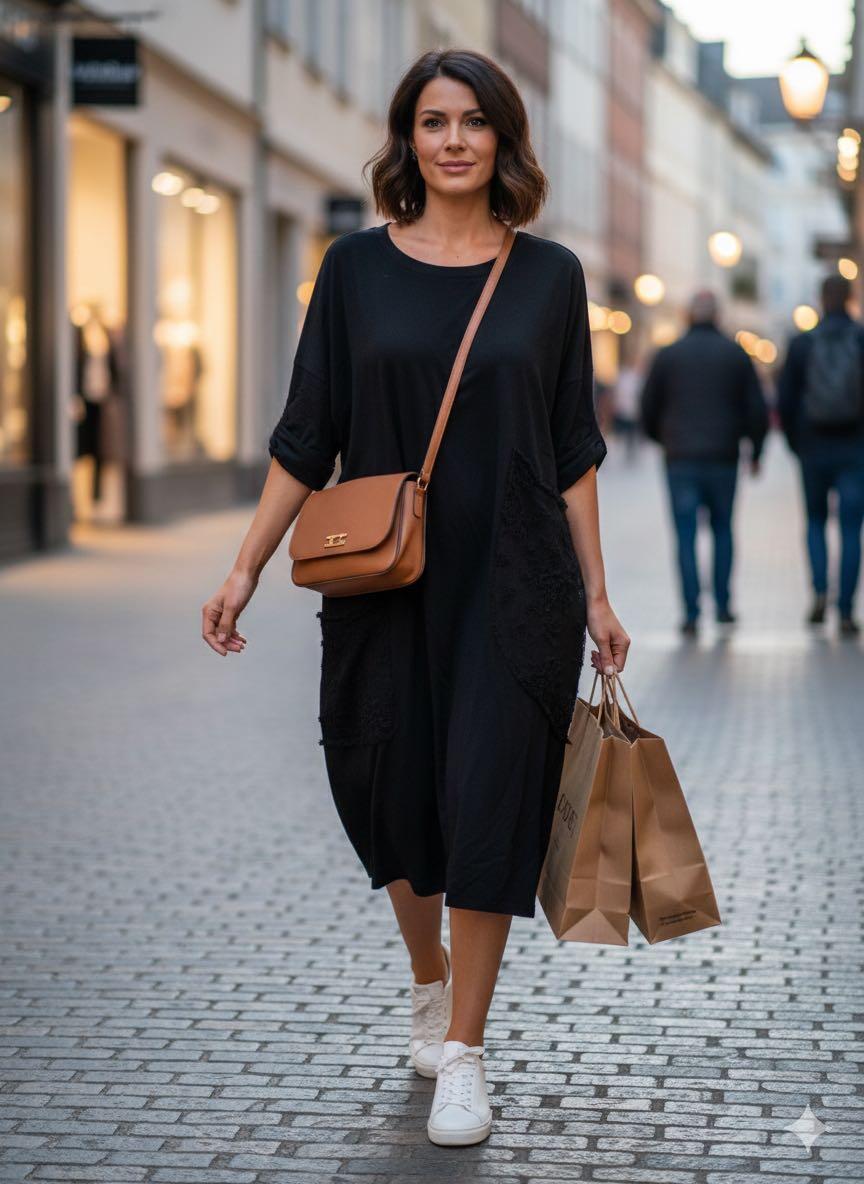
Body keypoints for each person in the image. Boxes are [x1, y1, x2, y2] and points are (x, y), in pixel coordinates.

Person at [201, 49, 629, 1147]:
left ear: (503, 140)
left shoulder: (549, 278)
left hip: (514, 582)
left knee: (491, 796)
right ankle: (427, 964)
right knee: (384, 790)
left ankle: (467, 1052)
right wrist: (245, 564)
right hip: (382, 583)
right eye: (432, 121)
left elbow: (573, 449)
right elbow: (307, 435)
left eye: (473, 122)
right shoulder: (352, 269)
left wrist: (598, 593)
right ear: (407, 139)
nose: (452, 140)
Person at [640, 290, 769, 635]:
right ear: (718, 316)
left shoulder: (668, 355)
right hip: (723, 457)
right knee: (723, 530)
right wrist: (755, 451)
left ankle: (691, 611)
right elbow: (756, 409)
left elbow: (647, 407)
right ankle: (724, 606)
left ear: (687, 315)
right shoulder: (735, 354)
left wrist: (663, 439)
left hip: (680, 458)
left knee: (684, 535)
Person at [777, 274, 864, 636]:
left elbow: (785, 400)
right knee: (850, 529)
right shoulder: (860, 338)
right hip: (855, 449)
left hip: (813, 448)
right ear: (849, 298)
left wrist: (798, 444)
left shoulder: (802, 343)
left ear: (821, 298)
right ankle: (845, 610)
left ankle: (819, 592)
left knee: (814, 522)